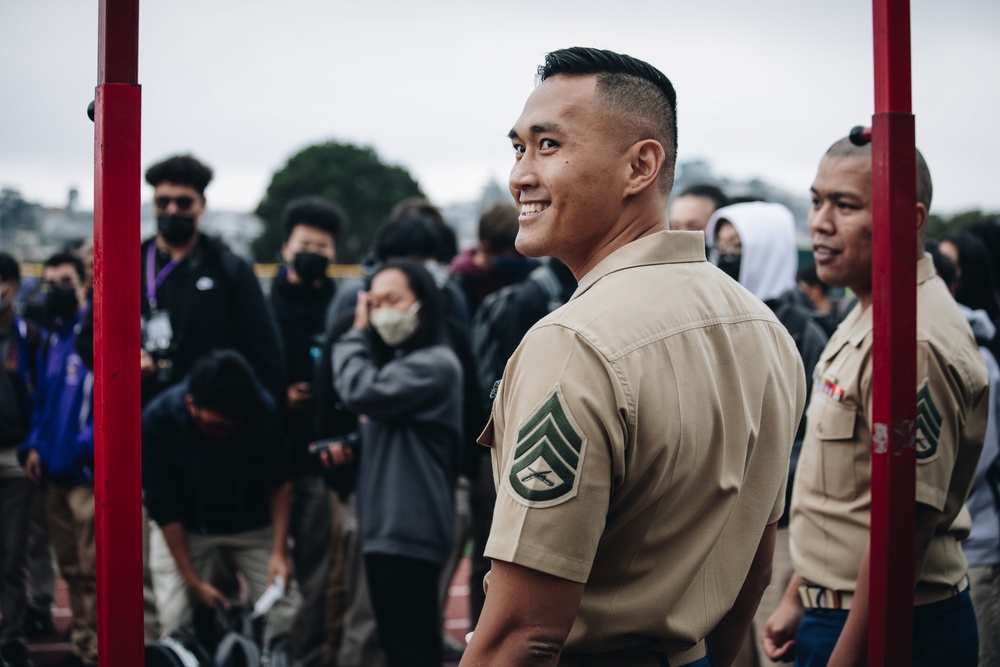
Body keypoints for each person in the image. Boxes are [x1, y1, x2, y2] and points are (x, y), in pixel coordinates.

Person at [462, 47, 806, 667]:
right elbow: (749, 574)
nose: (520, 175)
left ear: (640, 166)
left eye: (548, 145)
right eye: (518, 147)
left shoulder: (574, 343)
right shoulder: (764, 330)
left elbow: (524, 633)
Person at [763, 138, 989, 666]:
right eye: (816, 201)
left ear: (909, 219)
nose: (819, 222)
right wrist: (801, 593)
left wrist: (847, 655)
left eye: (844, 205)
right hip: (839, 612)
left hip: (891, 625)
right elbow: (851, 493)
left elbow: (908, 528)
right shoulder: (871, 306)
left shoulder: (914, 337)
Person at [705, 201, 828, 666]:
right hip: (721, 517)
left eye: (738, 247)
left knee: (772, 641)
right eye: (721, 246)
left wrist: (754, 473)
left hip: (780, 520)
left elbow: (809, 436)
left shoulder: (804, 331)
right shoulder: (717, 316)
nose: (726, 256)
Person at [330, 260, 463, 667]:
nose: (381, 311)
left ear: (422, 305)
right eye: (376, 302)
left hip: (409, 530)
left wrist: (354, 335)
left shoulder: (435, 365)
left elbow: (358, 388)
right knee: (399, 647)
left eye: (394, 300)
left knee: (412, 651)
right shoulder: (402, 363)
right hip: (389, 529)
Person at [142, 350, 301, 651]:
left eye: (231, 427)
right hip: (186, 527)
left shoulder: (259, 409)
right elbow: (165, 510)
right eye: (215, 427)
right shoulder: (158, 420)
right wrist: (192, 582)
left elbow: (280, 481)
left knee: (287, 608)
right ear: (191, 406)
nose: (224, 435)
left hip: (251, 526)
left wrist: (279, 553)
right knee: (175, 618)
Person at [268, 195, 345, 667]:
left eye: (323, 245)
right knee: (268, 562)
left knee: (316, 567)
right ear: (285, 248)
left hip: (317, 460)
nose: (314, 251)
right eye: (305, 243)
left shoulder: (341, 307)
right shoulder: (262, 303)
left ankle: (306, 654)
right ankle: (267, 645)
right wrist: (281, 396)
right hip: (271, 457)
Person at [140, 154, 284, 405]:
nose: (172, 210)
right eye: (163, 202)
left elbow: (264, 349)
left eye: (183, 202)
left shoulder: (230, 269)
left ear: (202, 204)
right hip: (141, 414)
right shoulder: (129, 264)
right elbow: (89, 336)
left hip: (213, 418)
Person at [19, 253, 96, 667]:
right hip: (53, 474)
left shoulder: (93, 335)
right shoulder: (53, 339)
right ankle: (83, 641)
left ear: (84, 283)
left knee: (93, 568)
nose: (56, 291)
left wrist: (85, 452)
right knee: (70, 567)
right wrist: (35, 446)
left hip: (84, 474)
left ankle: (98, 646)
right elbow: (42, 403)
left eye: (64, 282)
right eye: (49, 284)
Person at [0, 253, 45, 667]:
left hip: (14, 453)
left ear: (13, 286)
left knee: (13, 553)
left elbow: (42, 398)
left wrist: (33, 446)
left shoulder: (29, 336)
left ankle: (10, 635)